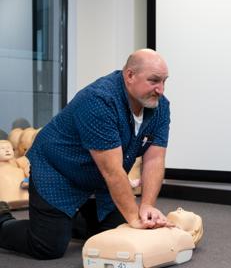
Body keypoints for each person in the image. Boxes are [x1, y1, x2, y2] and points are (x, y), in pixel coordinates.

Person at [0, 48, 171, 260]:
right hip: (57, 170)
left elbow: (154, 158)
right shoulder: (99, 100)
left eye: (164, 81)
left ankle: (66, 218)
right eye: (154, 81)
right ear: (129, 76)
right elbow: (112, 171)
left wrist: (146, 206)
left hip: (95, 178)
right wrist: (136, 219)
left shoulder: (160, 107)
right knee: (48, 246)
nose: (161, 90)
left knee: (115, 234)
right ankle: (3, 220)